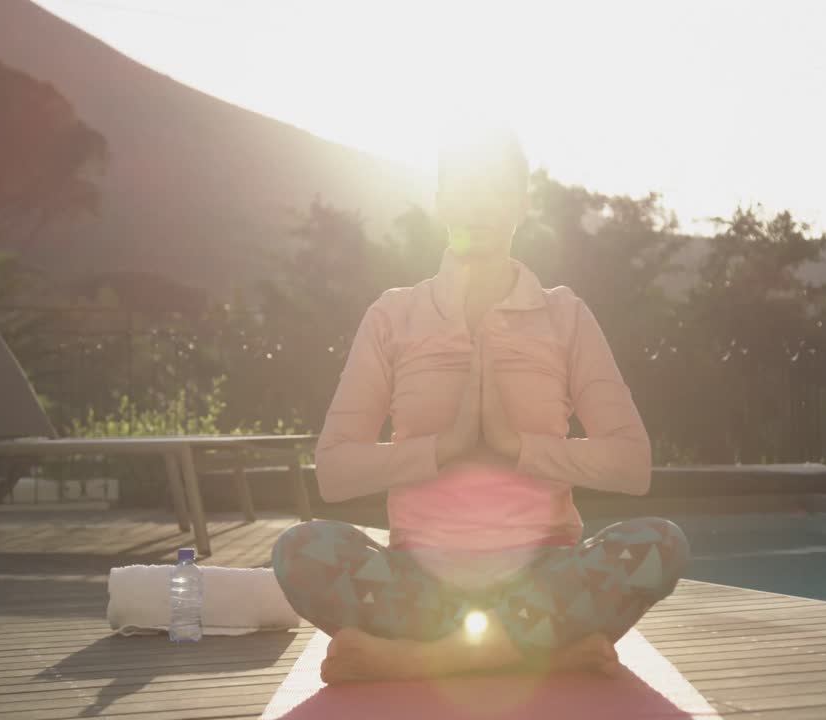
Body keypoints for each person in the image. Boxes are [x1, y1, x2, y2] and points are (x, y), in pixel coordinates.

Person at [271, 126, 689, 684]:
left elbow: (632, 464)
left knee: (661, 543)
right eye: (463, 189)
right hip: (421, 582)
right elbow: (334, 469)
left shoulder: (565, 317)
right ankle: (537, 653)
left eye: (495, 189)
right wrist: (444, 448)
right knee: (298, 551)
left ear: (522, 202)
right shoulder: (394, 316)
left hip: (543, 576)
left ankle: (426, 660)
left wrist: (518, 448)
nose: (478, 206)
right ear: (442, 201)